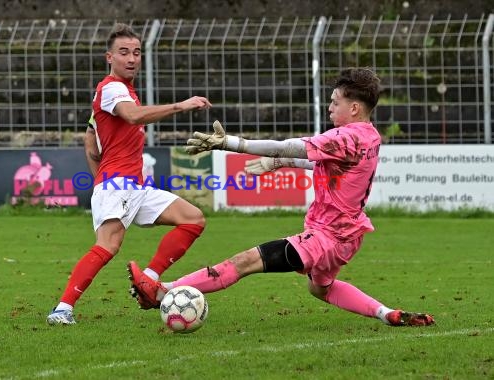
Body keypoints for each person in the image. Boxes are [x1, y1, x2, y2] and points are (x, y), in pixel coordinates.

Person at [128, 68, 435, 327]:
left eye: (335, 102)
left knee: (245, 261)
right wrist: (278, 163)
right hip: (347, 237)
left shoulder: (346, 136)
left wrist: (232, 143)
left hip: (325, 237)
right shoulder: (368, 136)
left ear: (354, 108)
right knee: (321, 290)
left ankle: (160, 291)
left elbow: (289, 146)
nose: (330, 108)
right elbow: (321, 162)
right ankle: (387, 314)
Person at [47, 23, 212, 325]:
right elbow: (133, 117)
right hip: (118, 184)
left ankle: (148, 279)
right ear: (109, 57)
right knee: (108, 245)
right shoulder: (111, 88)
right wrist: (181, 105)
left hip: (134, 186)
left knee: (193, 218)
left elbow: (89, 138)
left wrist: (100, 176)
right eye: (124, 52)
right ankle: (62, 309)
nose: (132, 58)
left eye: (136, 52)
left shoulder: (124, 92)